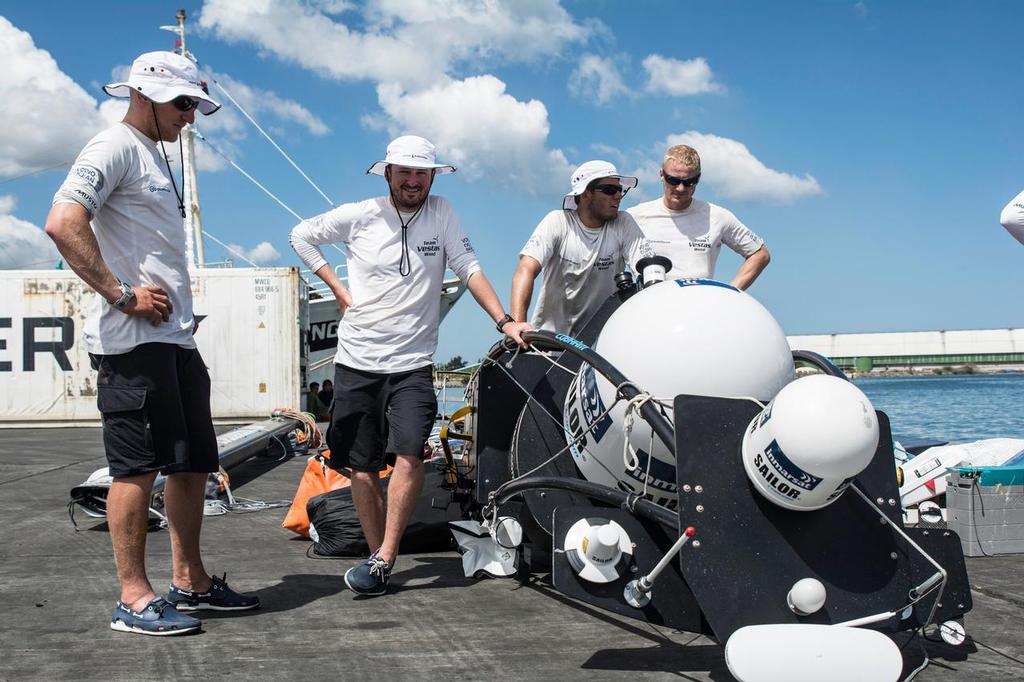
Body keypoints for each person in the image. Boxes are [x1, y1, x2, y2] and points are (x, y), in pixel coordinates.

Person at [44, 52, 259, 636]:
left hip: (174, 341)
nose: (191, 116)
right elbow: (64, 222)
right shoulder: (112, 147)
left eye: (196, 105)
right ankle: (132, 598)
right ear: (144, 94)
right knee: (135, 470)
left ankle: (189, 583)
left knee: (191, 466)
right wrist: (121, 295)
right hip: (132, 343)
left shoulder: (156, 155)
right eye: (184, 104)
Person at [289, 135, 530, 596]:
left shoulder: (442, 213)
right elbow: (300, 235)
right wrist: (338, 291)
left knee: (408, 454)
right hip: (357, 361)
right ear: (388, 174)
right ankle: (376, 557)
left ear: (433, 176)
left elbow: (469, 267)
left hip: (413, 364)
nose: (414, 180)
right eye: (405, 172)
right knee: (359, 466)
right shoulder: (360, 215)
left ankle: (385, 555)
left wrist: (504, 321)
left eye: (423, 172)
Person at [510, 160, 652, 335]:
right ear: (585, 194)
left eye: (620, 189)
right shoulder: (557, 221)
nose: (618, 195)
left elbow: (648, 271)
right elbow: (525, 270)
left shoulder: (623, 222)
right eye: (610, 190)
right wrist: (517, 325)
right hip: (550, 342)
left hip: (602, 343)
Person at [627, 145, 770, 289]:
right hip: (651, 305)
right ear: (661, 175)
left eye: (689, 182)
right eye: (674, 180)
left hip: (699, 306)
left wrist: (730, 292)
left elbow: (760, 254)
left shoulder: (718, 216)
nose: (681, 188)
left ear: (698, 178)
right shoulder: (634, 216)